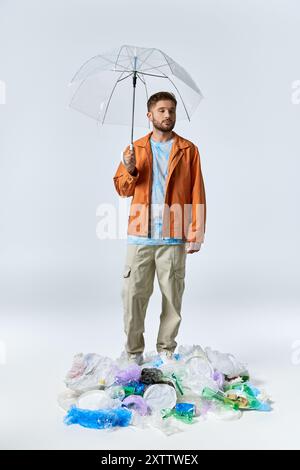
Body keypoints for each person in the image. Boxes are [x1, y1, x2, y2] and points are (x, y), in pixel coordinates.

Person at [113, 91, 206, 364]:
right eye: (162, 110)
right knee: (132, 298)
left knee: (172, 300)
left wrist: (196, 232)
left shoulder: (188, 150)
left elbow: (197, 192)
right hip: (140, 236)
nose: (168, 115)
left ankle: (166, 351)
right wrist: (129, 169)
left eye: (171, 111)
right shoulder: (135, 149)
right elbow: (121, 189)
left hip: (173, 237)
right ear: (149, 115)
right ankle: (133, 354)